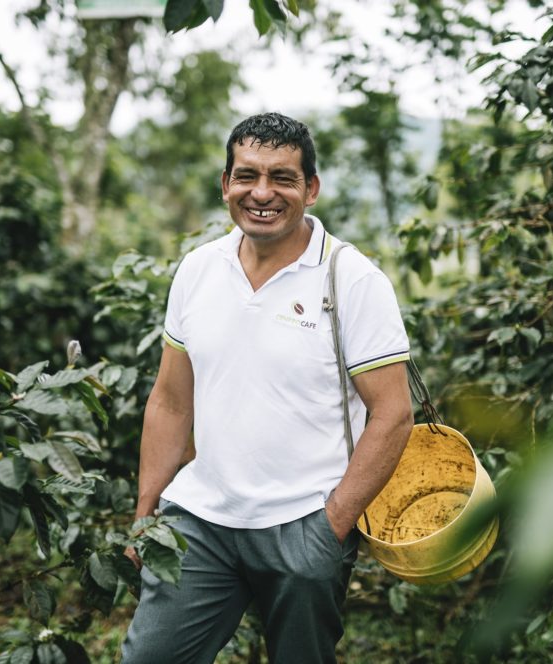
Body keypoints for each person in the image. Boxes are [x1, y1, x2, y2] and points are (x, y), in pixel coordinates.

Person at [120, 112, 414, 663]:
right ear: (225, 184)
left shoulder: (351, 279)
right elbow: (170, 400)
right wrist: (146, 511)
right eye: (246, 175)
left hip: (305, 523)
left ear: (311, 188)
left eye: (282, 177)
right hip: (200, 520)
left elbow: (393, 414)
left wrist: (332, 527)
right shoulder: (197, 269)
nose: (262, 192)